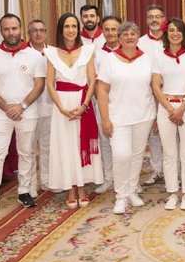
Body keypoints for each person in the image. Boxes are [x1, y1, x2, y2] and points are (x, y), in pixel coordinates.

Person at [0, 14, 46, 218]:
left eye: (14, 28)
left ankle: (24, 191)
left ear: (20, 29)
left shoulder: (34, 56)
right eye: (7, 29)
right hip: (1, 113)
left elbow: (39, 84)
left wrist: (22, 106)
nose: (11, 33)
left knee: (26, 153)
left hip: (28, 112)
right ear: (1, 32)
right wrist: (7, 107)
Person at [97, 22, 157, 214]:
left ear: (138, 36)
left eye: (133, 33)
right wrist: (105, 119)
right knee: (122, 155)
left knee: (137, 155)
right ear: (119, 38)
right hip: (118, 118)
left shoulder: (148, 59)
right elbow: (102, 90)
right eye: (126, 34)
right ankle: (120, 196)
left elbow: (155, 88)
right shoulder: (110, 60)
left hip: (143, 116)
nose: (130, 37)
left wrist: (156, 115)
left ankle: (132, 190)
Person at [45, 13, 102, 208]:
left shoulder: (87, 51)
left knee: (80, 145)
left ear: (78, 30)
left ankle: (82, 187)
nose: (71, 30)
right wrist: (61, 108)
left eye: (74, 26)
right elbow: (50, 84)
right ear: (61, 30)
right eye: (67, 26)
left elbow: (93, 80)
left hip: (82, 104)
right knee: (65, 146)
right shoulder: (51, 53)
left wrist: (85, 105)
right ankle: (70, 187)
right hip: (62, 106)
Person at [151, 18, 185, 211]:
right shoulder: (159, 56)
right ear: (166, 34)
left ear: (184, 33)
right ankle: (172, 192)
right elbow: (156, 86)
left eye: (178, 30)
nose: (175, 34)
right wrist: (170, 109)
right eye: (171, 30)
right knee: (170, 153)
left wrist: (182, 108)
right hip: (166, 108)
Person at [138, 5, 166, 187]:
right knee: (154, 135)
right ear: (146, 20)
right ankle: (158, 171)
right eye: (151, 17)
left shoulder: (173, 38)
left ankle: (175, 170)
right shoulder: (140, 43)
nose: (154, 20)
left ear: (164, 18)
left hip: (171, 93)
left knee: (172, 134)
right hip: (148, 94)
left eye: (158, 16)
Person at [93, 15, 122, 195]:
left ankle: (127, 180)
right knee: (105, 142)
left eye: (114, 29)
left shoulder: (129, 48)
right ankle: (109, 178)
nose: (111, 33)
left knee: (125, 144)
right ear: (102, 31)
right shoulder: (95, 50)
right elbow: (93, 79)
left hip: (124, 105)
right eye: (107, 29)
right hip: (102, 103)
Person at [27, 19, 53, 195]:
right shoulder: (23, 53)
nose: (38, 33)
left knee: (47, 146)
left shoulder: (53, 53)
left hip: (50, 106)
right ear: (29, 33)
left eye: (41, 30)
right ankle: (29, 184)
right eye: (34, 30)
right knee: (29, 148)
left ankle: (46, 179)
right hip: (30, 107)